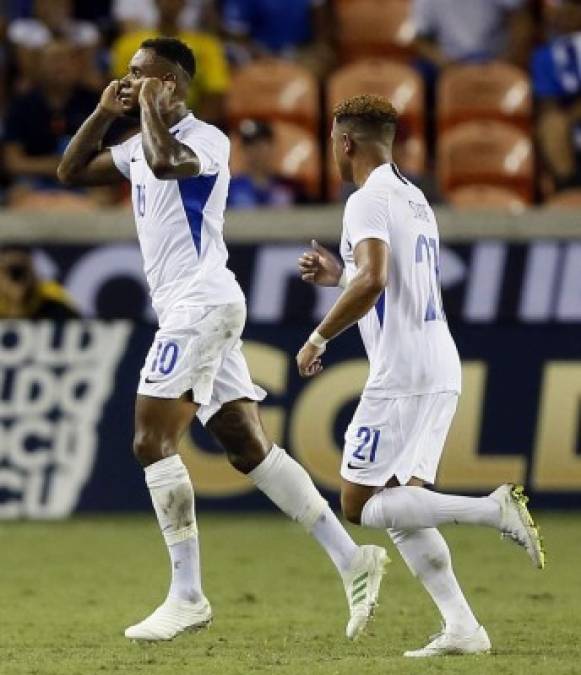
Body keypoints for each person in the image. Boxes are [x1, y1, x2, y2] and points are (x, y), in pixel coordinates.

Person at [57, 37, 387, 642]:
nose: (129, 81)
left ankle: (187, 595)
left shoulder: (207, 141)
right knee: (246, 446)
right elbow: (70, 171)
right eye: (126, 73)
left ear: (174, 85)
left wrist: (151, 108)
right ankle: (352, 558)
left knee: (150, 441)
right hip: (191, 309)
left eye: (142, 75)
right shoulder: (135, 142)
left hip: (201, 305)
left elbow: (165, 163)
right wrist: (105, 112)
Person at [296, 94, 545, 658]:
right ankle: (462, 627)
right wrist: (341, 277)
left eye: (334, 140)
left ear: (345, 142)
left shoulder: (366, 199)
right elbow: (385, 282)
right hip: (437, 361)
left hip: (403, 371)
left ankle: (492, 509)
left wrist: (318, 337)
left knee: (358, 505)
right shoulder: (413, 198)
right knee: (403, 504)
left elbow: (375, 281)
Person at [3, 40, 105, 208]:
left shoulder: (97, 103)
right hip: (35, 182)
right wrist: (57, 166)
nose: (60, 66)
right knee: (16, 197)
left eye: (65, 59)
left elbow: (115, 153)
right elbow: (12, 162)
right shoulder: (21, 106)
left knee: (105, 197)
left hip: (84, 180)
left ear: (78, 65)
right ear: (38, 67)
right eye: (53, 60)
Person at [111, 0, 229, 124]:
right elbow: (118, 92)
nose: (170, 4)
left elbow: (215, 94)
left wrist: (193, 131)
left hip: (188, 122)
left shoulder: (207, 46)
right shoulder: (127, 44)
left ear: (184, 3)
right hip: (136, 123)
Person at [532, 0, 581, 192]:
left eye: (575, 6)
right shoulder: (545, 56)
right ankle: (569, 189)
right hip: (569, 126)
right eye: (563, 7)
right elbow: (547, 104)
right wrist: (571, 118)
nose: (568, 13)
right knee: (551, 124)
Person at [228, 119, 307, 209]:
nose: (257, 150)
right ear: (243, 150)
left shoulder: (290, 188)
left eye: (262, 144)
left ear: (273, 147)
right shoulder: (229, 188)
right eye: (250, 144)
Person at [0, 245, 78, 319]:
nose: (16, 277)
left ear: (33, 272)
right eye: (9, 271)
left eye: (21, 270)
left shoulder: (56, 308)